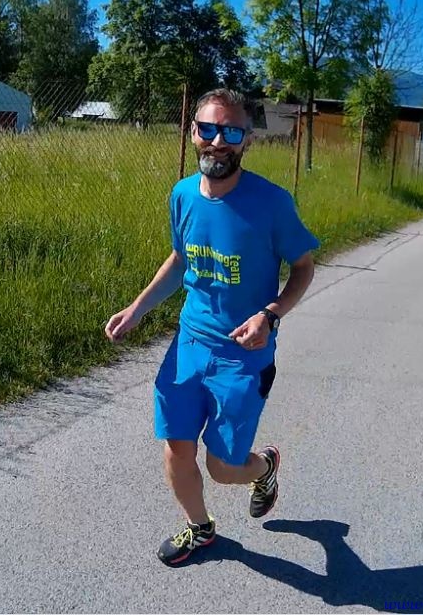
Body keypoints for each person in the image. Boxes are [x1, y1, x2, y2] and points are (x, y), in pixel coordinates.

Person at [104, 88, 319, 565]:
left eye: (231, 132)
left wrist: (270, 315)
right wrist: (137, 309)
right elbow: (181, 260)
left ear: (247, 141)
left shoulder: (272, 203)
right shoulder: (182, 195)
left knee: (222, 467)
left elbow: (303, 267)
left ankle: (263, 468)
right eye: (208, 128)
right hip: (189, 344)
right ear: (193, 132)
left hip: (244, 357)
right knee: (176, 448)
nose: (218, 141)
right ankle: (200, 528)